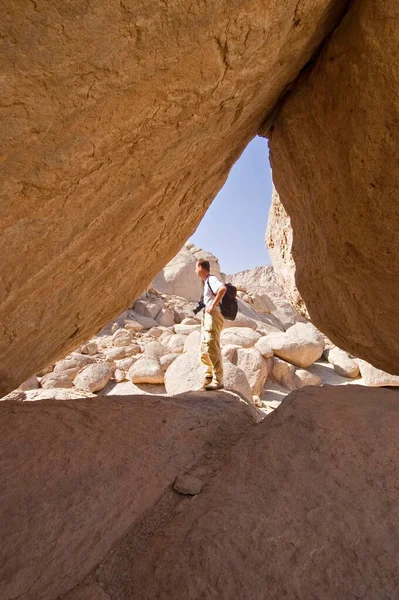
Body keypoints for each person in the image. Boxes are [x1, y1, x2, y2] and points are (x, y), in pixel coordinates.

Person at [195, 259, 227, 390]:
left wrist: (212, 305)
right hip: (207, 317)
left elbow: (222, 289)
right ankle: (208, 377)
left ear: (201, 268)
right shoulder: (206, 282)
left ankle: (218, 380)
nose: (195, 271)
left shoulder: (211, 279)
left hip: (213, 315)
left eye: (196, 268)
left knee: (212, 345)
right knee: (204, 347)